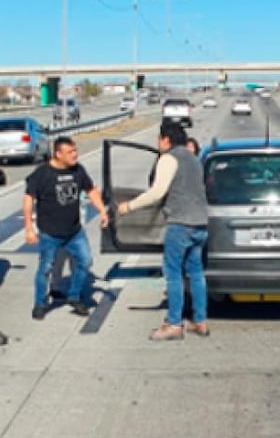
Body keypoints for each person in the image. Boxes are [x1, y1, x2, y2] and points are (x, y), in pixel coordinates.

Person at [117, 121, 210, 341]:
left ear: (165, 139)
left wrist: (128, 206)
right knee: (196, 274)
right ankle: (200, 321)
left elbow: (157, 192)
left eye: (158, 139)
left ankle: (174, 324)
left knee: (173, 275)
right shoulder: (194, 159)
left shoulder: (168, 158)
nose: (158, 144)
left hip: (180, 224)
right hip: (200, 223)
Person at [23, 136, 109, 320]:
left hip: (74, 232)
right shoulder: (42, 174)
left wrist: (102, 210)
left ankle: (74, 296)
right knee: (45, 268)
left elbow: (91, 190)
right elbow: (28, 199)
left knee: (85, 262)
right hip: (50, 233)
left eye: (75, 150)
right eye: (70, 152)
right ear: (58, 154)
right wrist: (29, 228)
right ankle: (39, 303)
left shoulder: (78, 170)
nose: (75, 155)